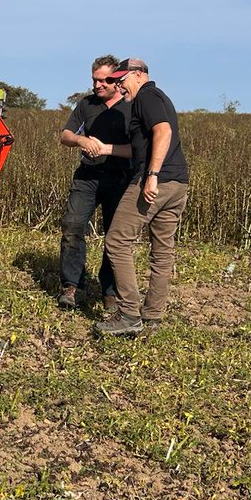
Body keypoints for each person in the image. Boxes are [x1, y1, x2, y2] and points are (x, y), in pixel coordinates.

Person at [96, 58, 189, 336]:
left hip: (155, 183)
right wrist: (105, 149)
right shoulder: (159, 98)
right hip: (177, 183)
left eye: (121, 80)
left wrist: (151, 175)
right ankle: (152, 316)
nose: (118, 86)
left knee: (116, 241)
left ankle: (128, 314)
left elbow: (163, 131)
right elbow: (139, 148)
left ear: (138, 76)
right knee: (162, 251)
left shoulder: (146, 96)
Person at [57, 54, 132, 311]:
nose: (97, 85)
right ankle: (70, 286)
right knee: (73, 226)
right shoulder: (86, 104)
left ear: (116, 80)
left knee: (115, 237)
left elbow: (139, 147)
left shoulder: (131, 108)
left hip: (120, 180)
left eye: (103, 81)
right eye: (94, 80)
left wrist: (108, 149)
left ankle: (110, 291)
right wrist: (81, 141)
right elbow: (66, 134)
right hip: (87, 177)